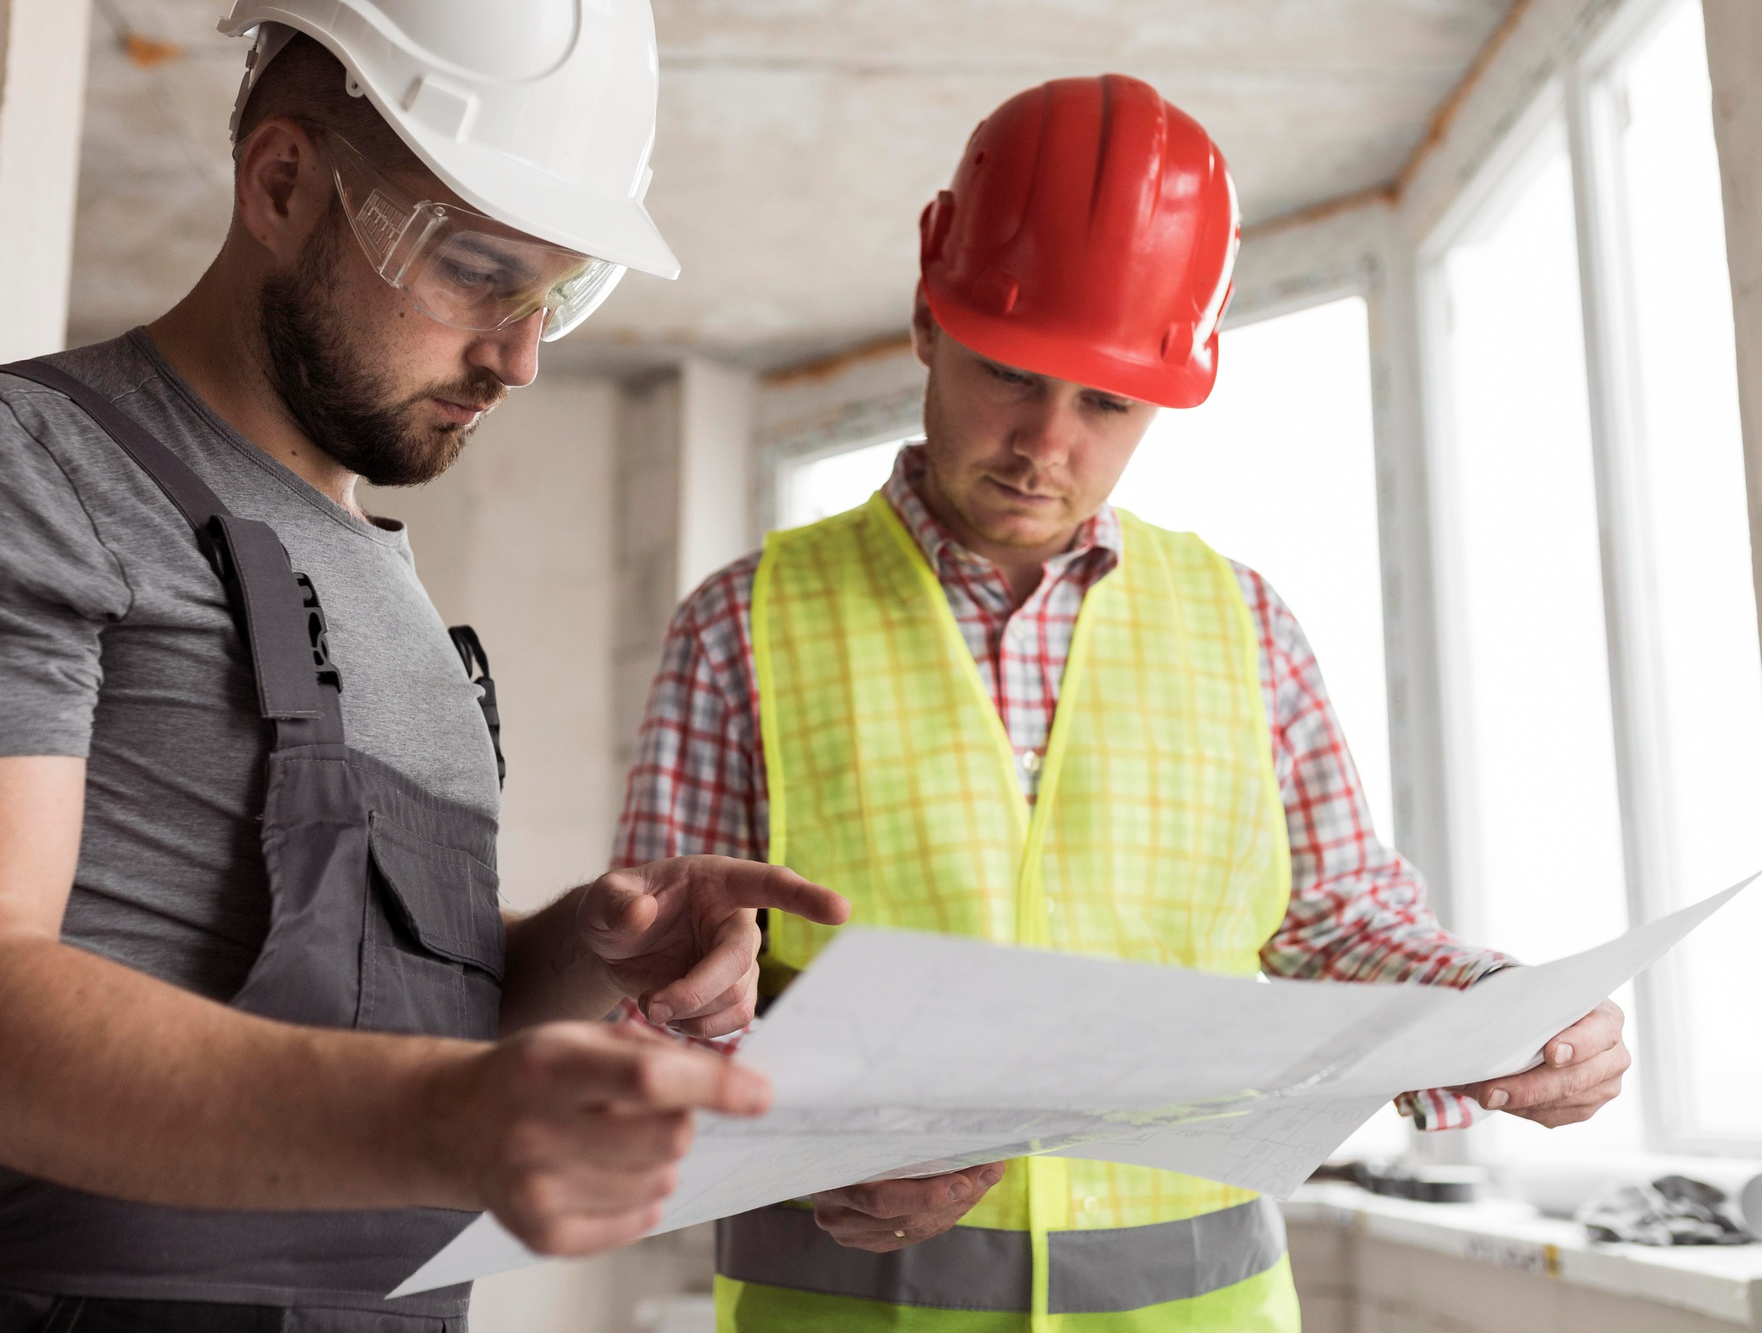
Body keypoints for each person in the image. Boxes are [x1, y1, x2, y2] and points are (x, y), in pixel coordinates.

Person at [0, 3, 848, 1330]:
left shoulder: (383, 585)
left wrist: (585, 953)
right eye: (477, 271)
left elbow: (368, 1013)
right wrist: (451, 1121)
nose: (519, 356)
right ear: (281, 183)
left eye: (557, 296)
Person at [614, 75, 1629, 1331]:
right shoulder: (741, 624)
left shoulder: (1243, 623)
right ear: (929, 318)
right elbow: (649, 1003)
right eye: (1009, 373)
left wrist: (1506, 1013)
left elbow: (1341, 921)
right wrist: (802, 1138)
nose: (1047, 441)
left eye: (1105, 400)